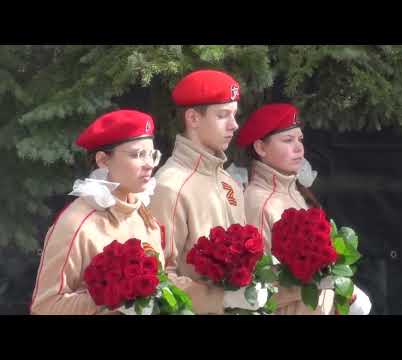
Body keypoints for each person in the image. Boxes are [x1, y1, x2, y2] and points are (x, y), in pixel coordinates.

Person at [148, 69, 266, 314]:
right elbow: (158, 278)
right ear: (193, 118)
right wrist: (221, 299)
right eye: (223, 115)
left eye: (234, 115)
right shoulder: (170, 185)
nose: (234, 126)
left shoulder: (228, 182)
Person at [236, 103, 372, 315]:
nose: (298, 148)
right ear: (261, 148)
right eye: (287, 140)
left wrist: (341, 293)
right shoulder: (258, 202)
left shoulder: (296, 191)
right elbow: (260, 288)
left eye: (299, 139)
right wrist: (321, 282)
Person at [30, 110, 165, 315]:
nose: (149, 164)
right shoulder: (78, 223)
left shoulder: (143, 214)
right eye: (137, 154)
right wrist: (113, 298)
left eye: (152, 154)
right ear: (103, 160)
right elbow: (46, 306)